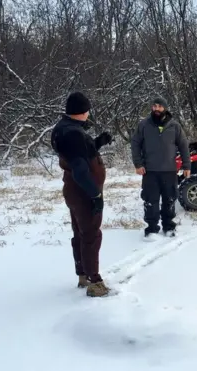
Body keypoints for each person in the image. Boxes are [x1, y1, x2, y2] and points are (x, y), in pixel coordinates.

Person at [51, 91, 113, 297]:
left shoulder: (64, 129)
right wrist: (95, 195)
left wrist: (98, 142)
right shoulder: (73, 133)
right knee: (91, 235)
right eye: (87, 111)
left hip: (74, 190)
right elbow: (79, 168)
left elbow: (78, 153)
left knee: (80, 233)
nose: (88, 114)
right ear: (80, 112)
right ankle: (95, 282)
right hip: (83, 191)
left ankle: (83, 275)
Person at [130, 96, 191, 237]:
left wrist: (187, 165)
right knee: (150, 200)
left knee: (169, 199)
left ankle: (169, 226)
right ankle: (152, 229)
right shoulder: (144, 125)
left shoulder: (174, 126)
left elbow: (183, 146)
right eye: (154, 106)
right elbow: (135, 144)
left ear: (165, 108)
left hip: (169, 170)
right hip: (150, 170)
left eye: (160, 106)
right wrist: (138, 163)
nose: (156, 109)